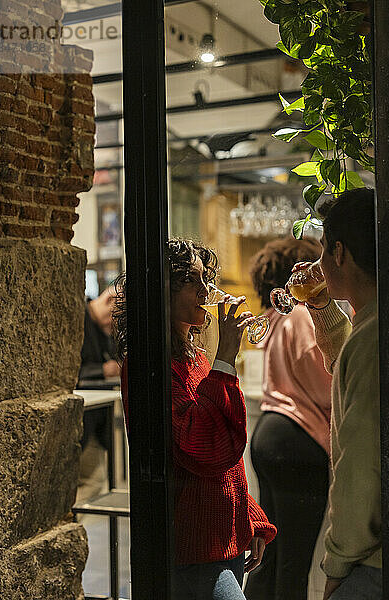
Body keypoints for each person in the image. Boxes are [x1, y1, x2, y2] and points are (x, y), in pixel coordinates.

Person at [113, 239, 277, 600]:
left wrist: (250, 519)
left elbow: (227, 459)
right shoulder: (147, 367)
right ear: (162, 291)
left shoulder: (194, 357)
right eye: (195, 281)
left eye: (207, 280)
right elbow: (202, 447)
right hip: (193, 545)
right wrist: (228, 355)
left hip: (223, 538)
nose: (208, 291)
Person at [298, 188, 381, 599]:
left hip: (377, 559)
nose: (318, 265)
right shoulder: (377, 323)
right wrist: (320, 304)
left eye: (322, 253)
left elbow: (359, 467)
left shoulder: (373, 340)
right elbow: (345, 353)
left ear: (341, 253)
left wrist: (336, 566)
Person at [244, 237, 332, 600]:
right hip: (297, 440)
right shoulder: (301, 316)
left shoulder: (279, 318)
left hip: (269, 433)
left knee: (270, 554)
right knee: (293, 562)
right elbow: (326, 388)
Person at [77, 287, 120, 500]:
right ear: (108, 300)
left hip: (93, 421)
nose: (114, 325)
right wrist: (103, 370)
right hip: (82, 419)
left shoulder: (99, 328)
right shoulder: (78, 319)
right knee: (93, 481)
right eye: (115, 316)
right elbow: (66, 372)